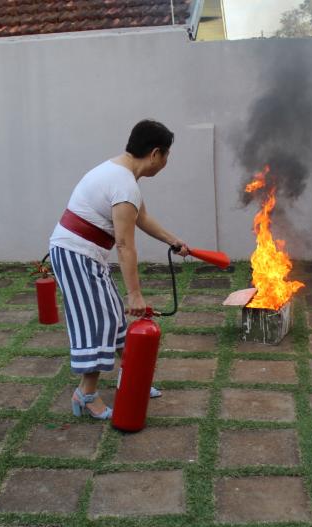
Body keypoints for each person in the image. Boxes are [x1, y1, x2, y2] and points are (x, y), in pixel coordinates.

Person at [49, 119, 189, 419]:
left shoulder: (120, 174)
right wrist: (134, 294)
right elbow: (125, 246)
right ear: (155, 153)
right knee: (98, 322)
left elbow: (142, 218)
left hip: (85, 254)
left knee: (113, 317)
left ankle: (134, 377)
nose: (166, 162)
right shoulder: (123, 185)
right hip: (76, 254)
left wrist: (173, 240)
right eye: (167, 155)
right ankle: (86, 395)